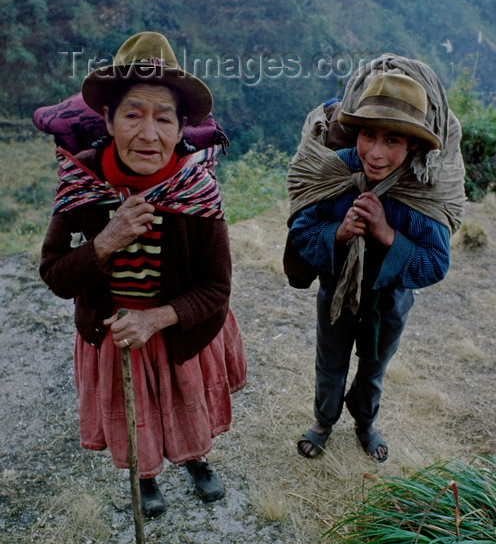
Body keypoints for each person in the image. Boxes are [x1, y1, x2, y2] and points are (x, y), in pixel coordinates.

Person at [39, 31, 247, 518]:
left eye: (164, 117)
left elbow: (216, 288)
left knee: (187, 403)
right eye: (133, 114)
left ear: (181, 128)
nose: (148, 133)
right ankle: (146, 473)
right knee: (138, 417)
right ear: (108, 119)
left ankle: (195, 460)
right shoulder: (82, 183)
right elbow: (54, 274)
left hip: (179, 328)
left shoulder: (195, 189)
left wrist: (156, 318)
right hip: (114, 336)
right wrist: (106, 241)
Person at [284, 56, 465, 462]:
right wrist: (339, 232)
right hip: (336, 293)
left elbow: (435, 262)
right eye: (368, 134)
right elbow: (301, 231)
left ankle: (365, 423)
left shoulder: (422, 190)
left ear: (414, 144)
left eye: (393, 141)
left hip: (389, 301)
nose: (377, 153)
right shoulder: (338, 171)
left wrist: (386, 234)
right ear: (354, 133)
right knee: (330, 361)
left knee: (373, 366)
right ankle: (323, 420)